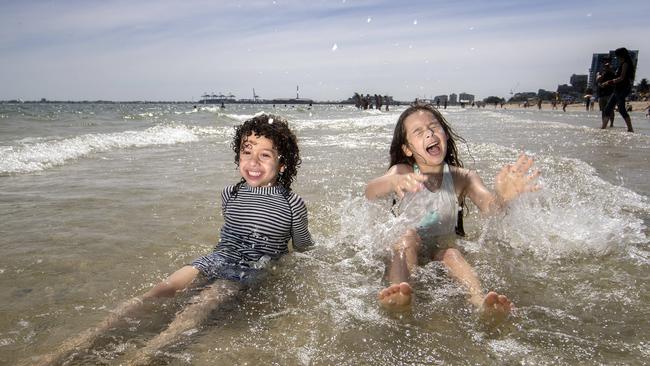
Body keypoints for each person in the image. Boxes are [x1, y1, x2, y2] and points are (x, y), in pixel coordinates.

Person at [34, 114, 314, 366]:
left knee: (204, 302)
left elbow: (302, 245)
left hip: (247, 270)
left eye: (265, 156)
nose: (252, 162)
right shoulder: (230, 193)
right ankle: (78, 345)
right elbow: (229, 234)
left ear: (282, 164)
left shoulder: (292, 203)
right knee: (162, 289)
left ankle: (144, 356)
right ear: (238, 156)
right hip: (217, 258)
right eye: (247, 151)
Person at [365, 102, 540, 320]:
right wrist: (395, 181)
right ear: (407, 149)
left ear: (445, 136)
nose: (429, 134)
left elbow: (490, 208)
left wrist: (503, 197)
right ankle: (399, 292)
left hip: (440, 246)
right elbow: (371, 190)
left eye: (434, 127)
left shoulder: (463, 177)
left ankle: (479, 301)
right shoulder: (402, 171)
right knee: (407, 238)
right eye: (418, 132)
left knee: (451, 253)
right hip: (408, 245)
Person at [600, 47, 636, 132]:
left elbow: (622, 78)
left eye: (617, 55)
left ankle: (630, 129)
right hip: (618, 88)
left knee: (621, 109)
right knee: (608, 108)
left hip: (622, 88)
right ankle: (603, 128)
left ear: (621, 55)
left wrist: (608, 82)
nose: (616, 57)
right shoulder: (622, 63)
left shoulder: (625, 64)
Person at [597, 61, 616, 127]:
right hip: (601, 94)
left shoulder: (613, 74)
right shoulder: (600, 73)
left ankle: (611, 123)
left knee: (611, 109)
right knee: (603, 110)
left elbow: (615, 81)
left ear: (610, 67)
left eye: (608, 66)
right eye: (605, 66)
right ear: (603, 67)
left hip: (610, 94)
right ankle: (604, 123)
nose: (607, 67)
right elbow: (598, 80)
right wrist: (603, 74)